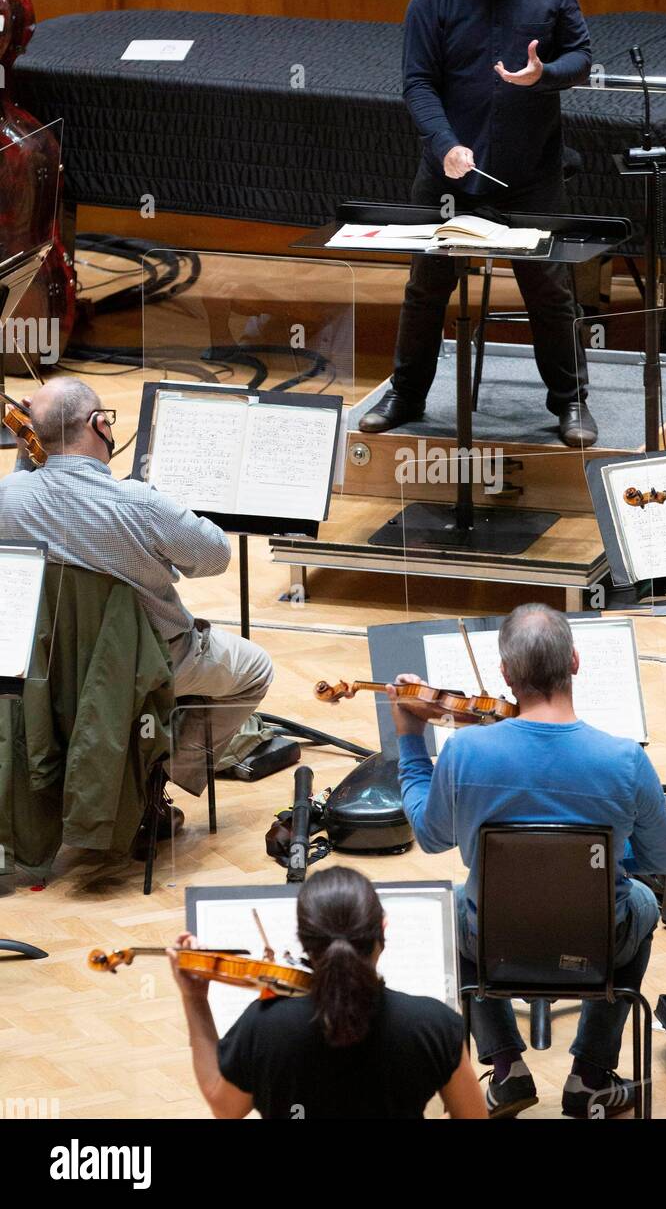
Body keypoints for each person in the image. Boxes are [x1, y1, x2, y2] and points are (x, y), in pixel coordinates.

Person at [392, 603, 666, 1119]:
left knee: (453, 907)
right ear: (574, 661)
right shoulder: (624, 759)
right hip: (599, 945)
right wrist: (607, 855)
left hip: (493, 942)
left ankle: (506, 1069)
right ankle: (591, 1075)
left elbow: (431, 837)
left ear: (505, 674)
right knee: (639, 899)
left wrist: (411, 741)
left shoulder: (463, 752)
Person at [359, 0, 597, 448]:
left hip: (532, 169)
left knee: (549, 288)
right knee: (426, 287)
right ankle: (406, 394)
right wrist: (445, 145)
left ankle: (570, 404)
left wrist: (547, 75)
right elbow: (417, 83)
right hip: (451, 172)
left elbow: (582, 57)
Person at [0, 377, 273, 812]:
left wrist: (27, 447)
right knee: (257, 668)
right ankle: (157, 779)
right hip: (147, 665)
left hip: (52, 668)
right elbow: (214, 558)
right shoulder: (139, 503)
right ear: (98, 424)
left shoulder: (8, 498)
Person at [169, 865, 487, 1120]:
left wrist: (195, 1000)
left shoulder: (264, 1027)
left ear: (305, 941)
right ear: (383, 930)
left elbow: (224, 1107)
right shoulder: (433, 1025)